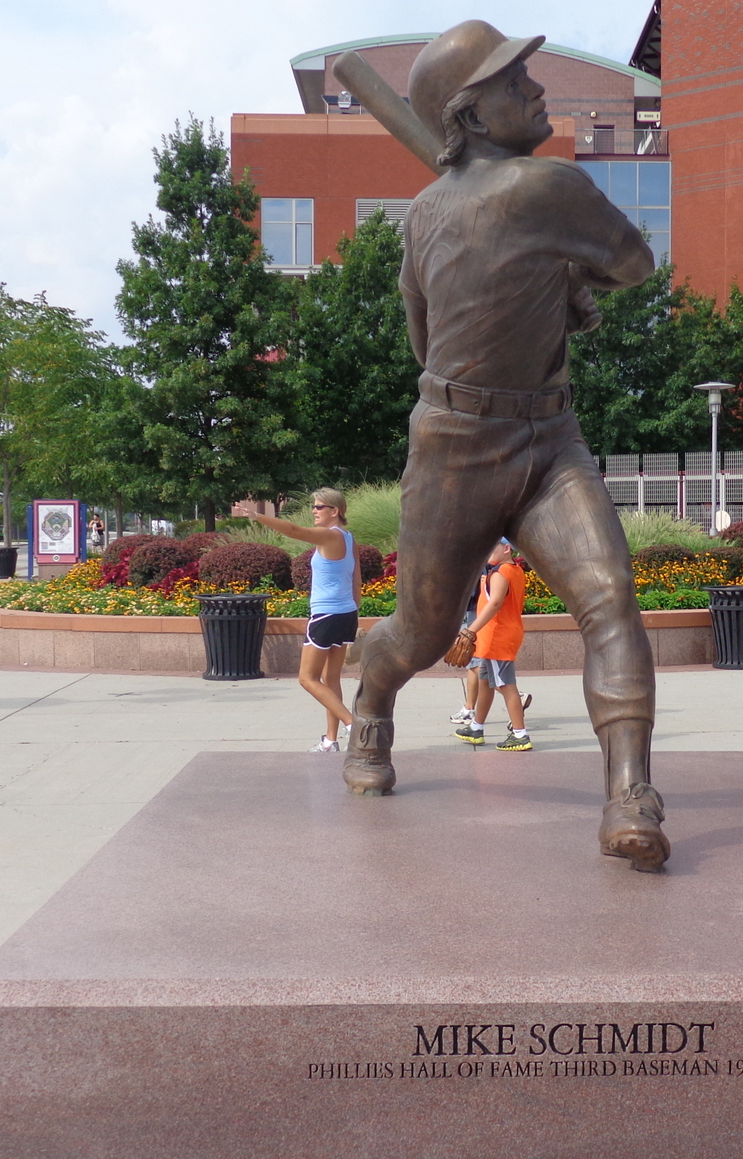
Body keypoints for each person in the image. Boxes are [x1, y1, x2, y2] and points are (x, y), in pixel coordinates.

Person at [342, 21, 669, 871]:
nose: (536, 87)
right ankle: (373, 700)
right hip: (456, 444)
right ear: (471, 115)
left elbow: (424, 347)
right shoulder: (538, 192)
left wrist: (551, 279)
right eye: (513, 79)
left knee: (609, 597)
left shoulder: (451, 208)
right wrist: (568, 275)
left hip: (549, 435)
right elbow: (633, 262)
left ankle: (630, 794)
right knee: (418, 633)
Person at [246, 488, 360, 752]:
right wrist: (353, 610)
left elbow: (294, 531)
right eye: (314, 506)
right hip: (345, 614)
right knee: (330, 681)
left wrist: (257, 516)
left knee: (307, 679)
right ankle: (331, 741)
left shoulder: (330, 535)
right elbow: (356, 579)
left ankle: (354, 725)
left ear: (335, 511)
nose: (314, 511)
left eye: (319, 507)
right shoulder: (348, 537)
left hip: (326, 616)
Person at [455, 538, 532, 750]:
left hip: (497, 636)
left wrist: (471, 630)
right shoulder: (514, 569)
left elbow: (495, 603)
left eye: (493, 546)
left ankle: (520, 734)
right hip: (498, 635)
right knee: (485, 682)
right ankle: (476, 727)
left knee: (505, 685)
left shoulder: (500, 573)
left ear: (507, 548)